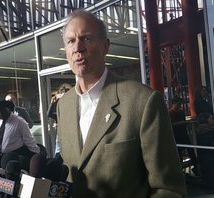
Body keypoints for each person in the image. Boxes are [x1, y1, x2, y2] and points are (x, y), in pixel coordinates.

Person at [56, 10, 186, 197]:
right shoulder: (64, 106)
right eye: (71, 41)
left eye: (86, 38)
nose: (78, 47)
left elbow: (169, 189)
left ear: (105, 45)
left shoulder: (142, 101)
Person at [0, 100, 40, 170]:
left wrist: (36, 158)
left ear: (9, 109)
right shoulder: (0, 122)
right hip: (1, 158)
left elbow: (29, 141)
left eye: (2, 111)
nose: (0, 115)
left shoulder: (20, 122)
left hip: (14, 158)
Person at [169, 96, 199, 176]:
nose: (179, 106)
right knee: (179, 155)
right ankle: (181, 172)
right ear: (173, 104)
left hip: (184, 135)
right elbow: (169, 125)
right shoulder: (170, 113)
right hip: (177, 136)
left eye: (180, 104)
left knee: (191, 151)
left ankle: (196, 167)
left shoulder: (181, 112)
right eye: (178, 104)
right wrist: (181, 123)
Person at [196, 113, 214, 185]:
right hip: (208, 160)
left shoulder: (204, 129)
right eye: (211, 119)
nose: (213, 120)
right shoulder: (205, 131)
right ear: (205, 120)